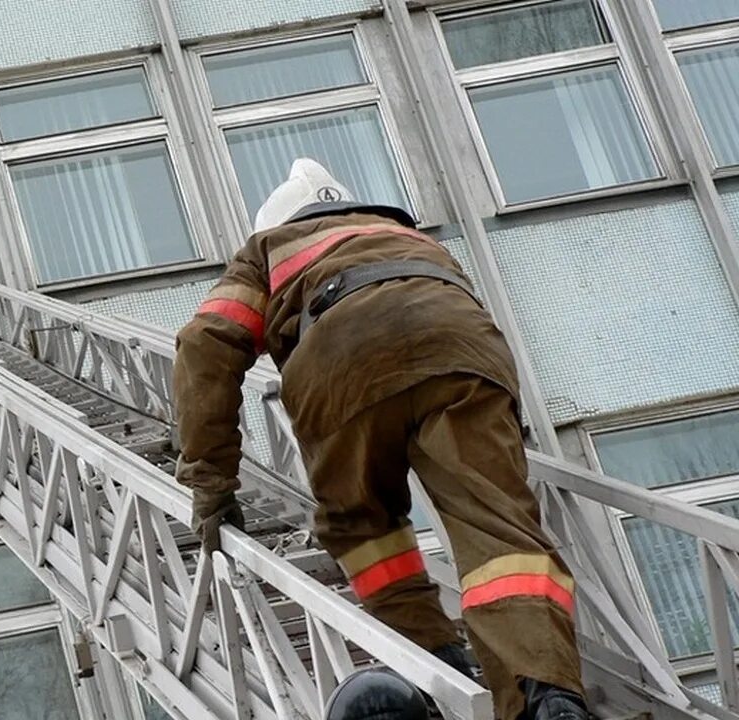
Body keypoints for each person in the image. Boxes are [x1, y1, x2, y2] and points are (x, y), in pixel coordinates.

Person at [173, 159, 587, 720]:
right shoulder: (406, 235)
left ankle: (437, 669)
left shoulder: (268, 249)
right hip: (462, 352)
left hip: (343, 360)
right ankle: (549, 697)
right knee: (500, 534)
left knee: (364, 527)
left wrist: (211, 487)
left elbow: (206, 344)